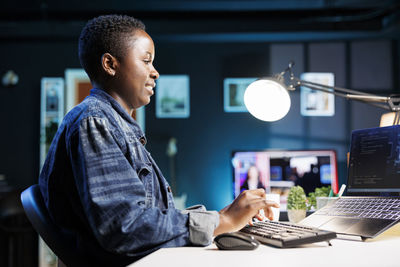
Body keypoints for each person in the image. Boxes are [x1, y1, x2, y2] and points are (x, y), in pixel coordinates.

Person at [39, 14, 279, 266]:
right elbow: (124, 227)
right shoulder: (95, 121)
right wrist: (223, 221)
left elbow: (148, 217)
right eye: (146, 61)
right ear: (110, 64)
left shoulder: (113, 123)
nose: (155, 72)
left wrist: (224, 217)